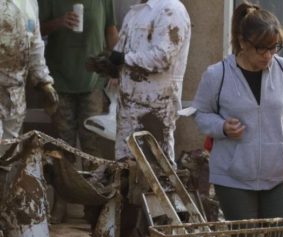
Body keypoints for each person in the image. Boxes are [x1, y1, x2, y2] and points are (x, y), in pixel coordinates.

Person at [193, 3, 283, 221]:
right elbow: (201, 113)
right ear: (243, 42)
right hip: (233, 177)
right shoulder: (217, 74)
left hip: (279, 174)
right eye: (262, 48)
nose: (268, 55)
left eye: (274, 48)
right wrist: (222, 127)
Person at [87, 0, 190, 163]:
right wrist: (108, 64)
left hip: (156, 111)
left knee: (155, 171)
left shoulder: (171, 9)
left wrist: (122, 58)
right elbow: (120, 55)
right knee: (126, 171)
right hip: (127, 113)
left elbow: (164, 58)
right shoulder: (134, 13)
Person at [39, 0, 118, 158]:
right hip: (59, 81)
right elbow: (35, 30)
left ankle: (93, 180)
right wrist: (59, 22)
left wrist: (116, 68)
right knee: (64, 143)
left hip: (93, 81)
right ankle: (68, 181)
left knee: (92, 141)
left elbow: (111, 31)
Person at [0, 0, 58, 156]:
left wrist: (44, 81)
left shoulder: (30, 4)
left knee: (10, 151)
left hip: (15, 95)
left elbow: (35, 45)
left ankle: (7, 179)